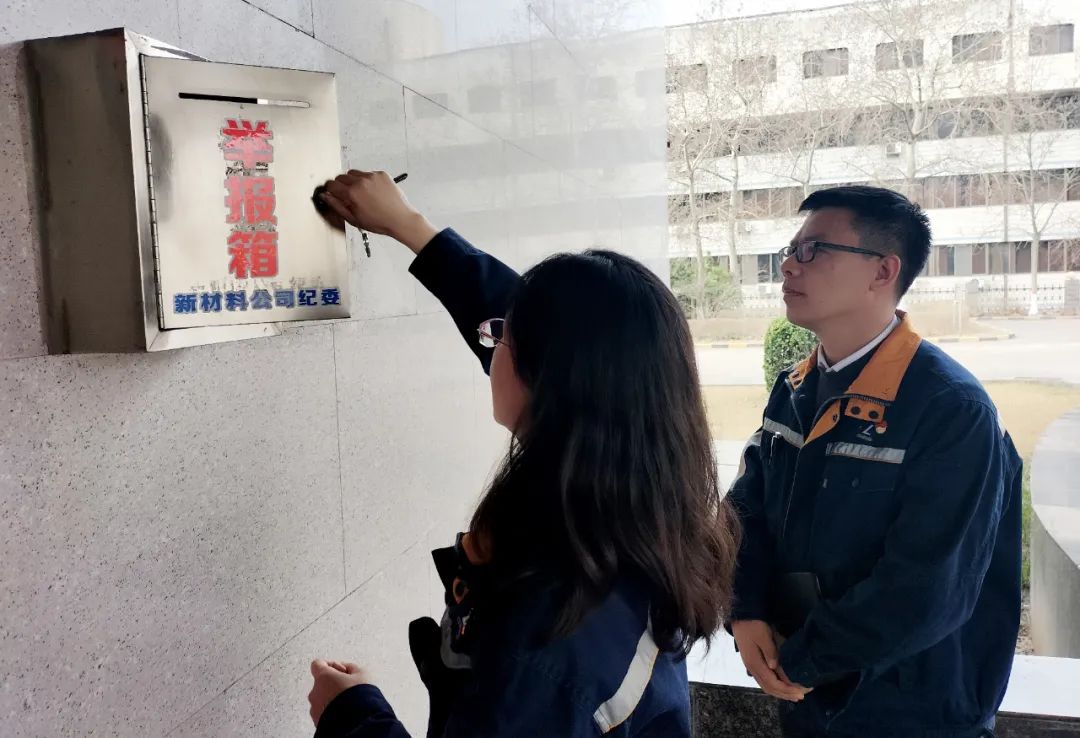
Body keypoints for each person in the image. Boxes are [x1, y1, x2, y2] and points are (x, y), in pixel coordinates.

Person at [304, 170, 742, 737]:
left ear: (552, 380)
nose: (491, 347)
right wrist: (411, 228)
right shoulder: (637, 520)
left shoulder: (550, 633)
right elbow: (543, 322)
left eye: (503, 338)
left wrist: (351, 714)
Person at [727, 185, 1023, 737]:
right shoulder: (795, 388)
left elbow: (926, 591)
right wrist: (744, 611)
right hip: (807, 699)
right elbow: (746, 510)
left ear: (883, 271)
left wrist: (801, 660)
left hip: (910, 714)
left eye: (813, 250)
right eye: (790, 250)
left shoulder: (951, 409)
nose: (788, 266)